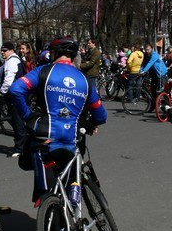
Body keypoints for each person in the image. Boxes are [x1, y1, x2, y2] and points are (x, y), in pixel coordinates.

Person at [8, 36, 107, 203]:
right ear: (73, 56)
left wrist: (28, 117)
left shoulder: (44, 71)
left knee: (44, 174)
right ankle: (74, 198)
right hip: (71, 138)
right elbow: (101, 115)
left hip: (45, 137)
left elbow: (16, 90)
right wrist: (91, 124)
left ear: (53, 53)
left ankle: (47, 199)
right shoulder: (85, 80)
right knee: (72, 169)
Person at [0, 41, 27, 157]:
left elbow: (9, 80)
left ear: (11, 51)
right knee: (16, 121)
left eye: (4, 50)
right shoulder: (10, 61)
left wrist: (1, 92)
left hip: (16, 94)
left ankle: (21, 148)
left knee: (18, 121)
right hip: (16, 94)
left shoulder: (12, 61)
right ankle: (20, 145)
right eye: (2, 50)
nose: (2, 52)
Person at [140, 43, 168, 112]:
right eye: (145, 49)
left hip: (161, 73)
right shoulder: (146, 55)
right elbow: (144, 63)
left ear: (151, 49)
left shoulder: (154, 55)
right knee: (153, 90)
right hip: (153, 74)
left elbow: (150, 63)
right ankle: (153, 105)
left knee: (162, 90)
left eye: (148, 49)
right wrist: (140, 70)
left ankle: (167, 106)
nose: (146, 51)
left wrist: (144, 71)